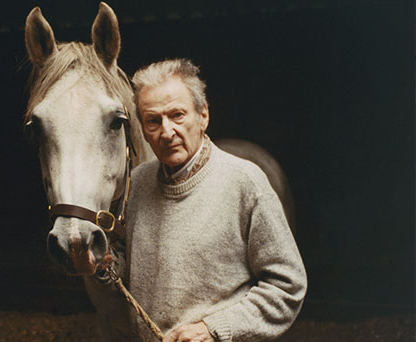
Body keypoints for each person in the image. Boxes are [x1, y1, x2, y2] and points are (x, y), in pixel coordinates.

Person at [124, 59, 307, 342]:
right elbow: (135, 273)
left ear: (203, 115)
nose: (167, 131)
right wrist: (104, 265)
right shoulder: (136, 183)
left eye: (177, 115)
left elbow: (287, 286)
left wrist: (214, 328)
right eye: (153, 120)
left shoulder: (245, 181)